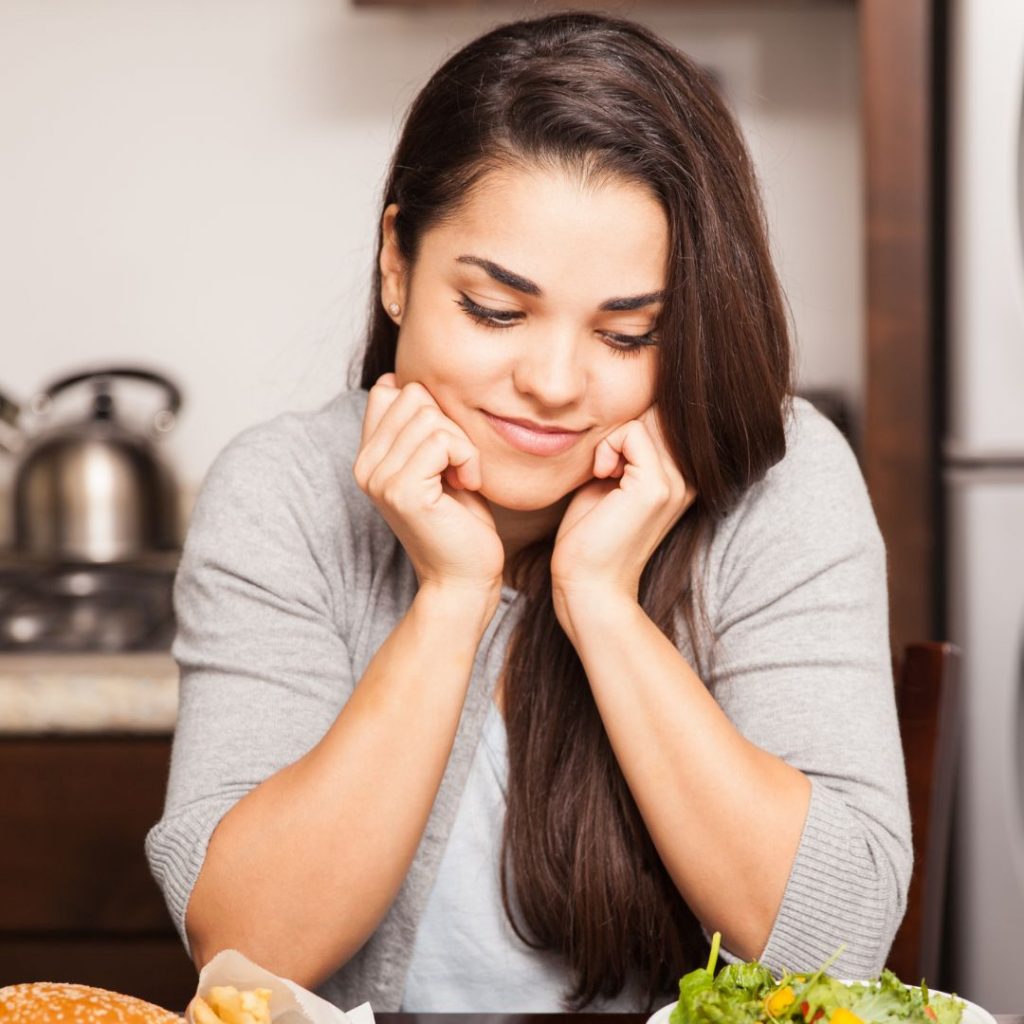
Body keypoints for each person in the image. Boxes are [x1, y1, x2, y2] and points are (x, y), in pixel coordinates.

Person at [146, 11, 911, 1014]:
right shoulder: (283, 492)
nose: (552, 381)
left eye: (628, 332)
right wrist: (451, 597)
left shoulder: (783, 477)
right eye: (495, 311)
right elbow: (249, 952)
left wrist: (601, 603)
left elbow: (840, 939)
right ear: (397, 264)